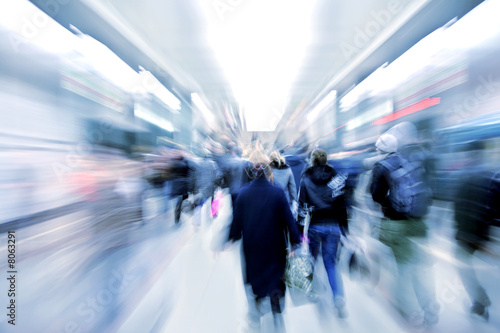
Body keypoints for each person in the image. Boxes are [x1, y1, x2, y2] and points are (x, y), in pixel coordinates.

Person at [370, 123, 439, 328]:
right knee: (420, 266)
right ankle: (429, 306)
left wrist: (387, 205)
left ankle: (409, 311)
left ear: (380, 149)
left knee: (403, 268)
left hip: (396, 223)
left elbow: (376, 196)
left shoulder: (381, 167)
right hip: (418, 222)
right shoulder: (410, 160)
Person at [228, 147, 301, 332]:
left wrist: (232, 238)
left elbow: (236, 226)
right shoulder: (277, 192)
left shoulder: (244, 194)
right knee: (276, 278)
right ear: (268, 170)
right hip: (275, 247)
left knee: (257, 282)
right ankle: (276, 306)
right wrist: (295, 242)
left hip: (252, 249)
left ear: (251, 171)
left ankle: (261, 305)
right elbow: (289, 221)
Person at [297, 147, 349, 318]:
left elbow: (302, 208)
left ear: (312, 160)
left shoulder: (305, 178)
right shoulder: (336, 178)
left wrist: (298, 231)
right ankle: (338, 298)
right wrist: (345, 230)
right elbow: (341, 206)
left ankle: (313, 290)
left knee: (312, 259)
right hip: (333, 227)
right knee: (331, 263)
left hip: (315, 227)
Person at [452, 141, 495, 321]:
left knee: (464, 268)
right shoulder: (492, 174)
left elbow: (458, 208)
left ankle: (479, 301)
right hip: (483, 233)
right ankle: (480, 300)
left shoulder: (461, 176)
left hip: (466, 234)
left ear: (468, 155)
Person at [270, 150, 297, 216]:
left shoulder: (269, 169)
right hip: (285, 201)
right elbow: (292, 187)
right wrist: (294, 201)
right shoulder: (288, 169)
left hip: (272, 202)